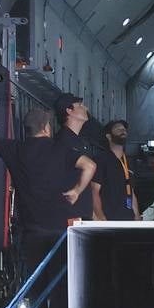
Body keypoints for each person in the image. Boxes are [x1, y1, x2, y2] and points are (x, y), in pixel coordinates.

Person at [0, 107, 95, 308]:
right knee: (61, 282)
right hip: (61, 231)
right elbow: (90, 165)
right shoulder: (61, 150)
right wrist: (77, 191)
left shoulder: (17, 150)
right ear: (47, 128)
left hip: (33, 230)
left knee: (36, 281)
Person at [53, 93, 98, 221]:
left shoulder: (80, 141)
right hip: (70, 213)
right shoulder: (63, 139)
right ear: (69, 110)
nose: (86, 108)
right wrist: (77, 191)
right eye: (80, 105)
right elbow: (90, 166)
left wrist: (94, 215)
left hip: (82, 213)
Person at [91, 119, 139, 221]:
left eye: (124, 129)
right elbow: (94, 191)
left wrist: (137, 217)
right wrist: (101, 218)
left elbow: (131, 192)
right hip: (110, 219)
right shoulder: (101, 160)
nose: (123, 130)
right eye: (118, 129)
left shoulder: (127, 162)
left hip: (128, 219)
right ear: (108, 136)